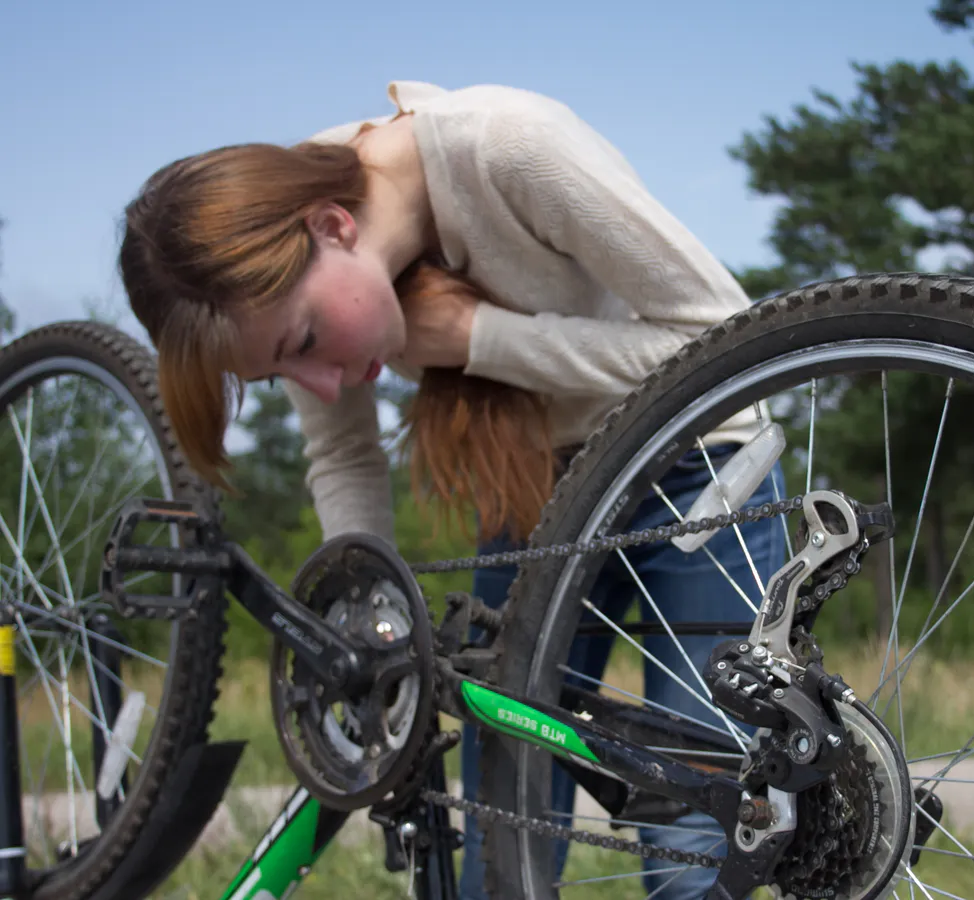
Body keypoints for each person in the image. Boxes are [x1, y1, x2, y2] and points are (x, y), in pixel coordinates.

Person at [118, 80, 787, 899]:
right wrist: (369, 617)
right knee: (500, 837)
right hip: (535, 490)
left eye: (305, 341)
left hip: (699, 461)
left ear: (333, 227)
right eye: (278, 373)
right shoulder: (281, 263)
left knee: (692, 831)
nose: (321, 385)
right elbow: (343, 455)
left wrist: (481, 338)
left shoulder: (510, 148)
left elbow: (731, 339)